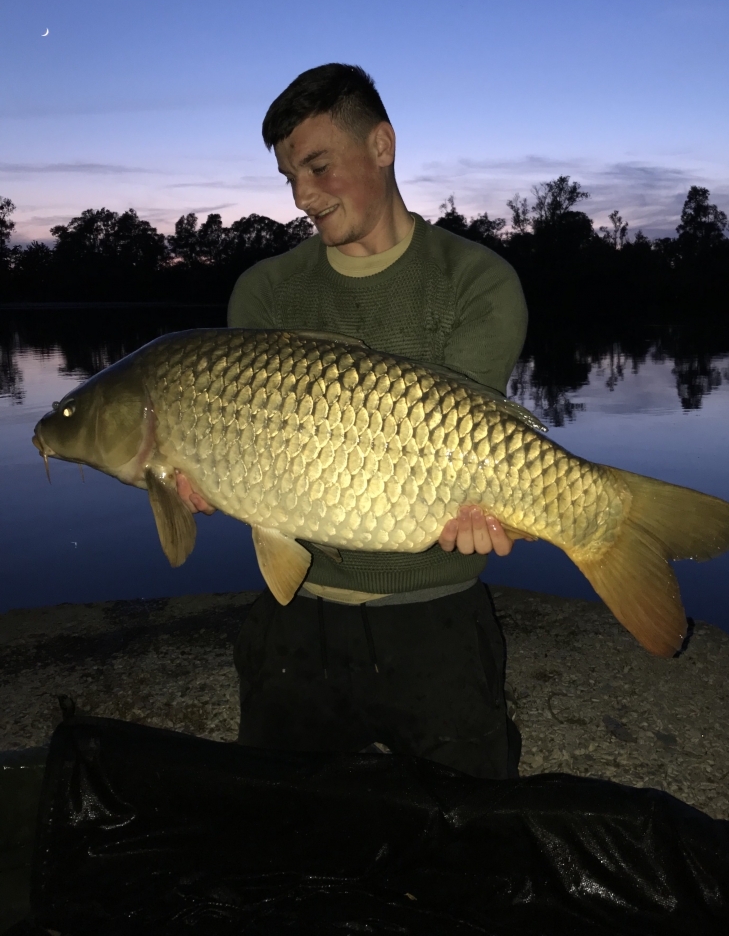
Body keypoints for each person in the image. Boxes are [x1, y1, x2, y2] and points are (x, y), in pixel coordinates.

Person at [176, 62, 531, 779]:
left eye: (317, 166)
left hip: (437, 616)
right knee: (273, 831)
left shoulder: (478, 281)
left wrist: (494, 505)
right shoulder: (265, 292)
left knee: (474, 837)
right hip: (299, 618)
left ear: (382, 145)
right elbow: (258, 469)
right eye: (289, 177)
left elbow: (465, 442)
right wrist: (206, 466)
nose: (303, 196)